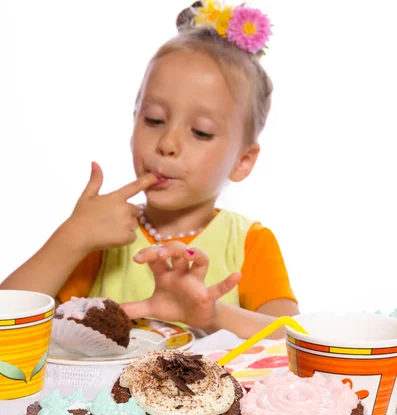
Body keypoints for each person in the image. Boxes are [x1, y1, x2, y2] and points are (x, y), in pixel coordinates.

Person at [0, 1, 298, 339]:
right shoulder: (102, 236)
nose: (167, 143)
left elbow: (293, 337)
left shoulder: (249, 243)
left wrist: (210, 314)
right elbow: (8, 320)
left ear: (242, 161)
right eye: (154, 120)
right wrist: (71, 238)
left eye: (200, 131)